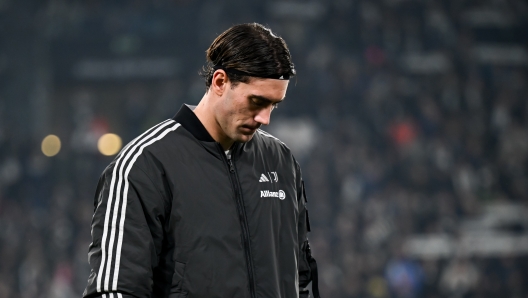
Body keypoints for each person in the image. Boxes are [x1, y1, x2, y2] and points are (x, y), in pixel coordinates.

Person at [83, 23, 320, 298]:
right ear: (220, 82)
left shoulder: (281, 162)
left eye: (273, 105)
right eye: (256, 101)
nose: (264, 118)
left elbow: (300, 277)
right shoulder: (144, 166)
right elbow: (114, 290)